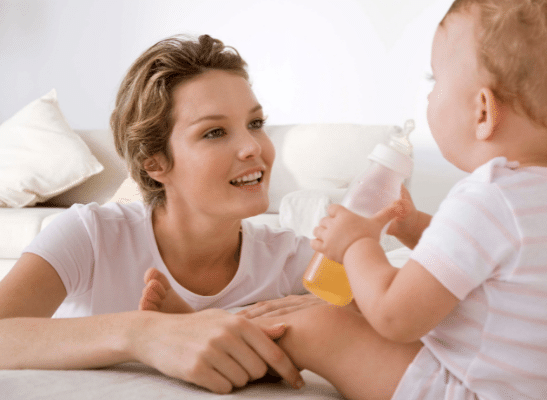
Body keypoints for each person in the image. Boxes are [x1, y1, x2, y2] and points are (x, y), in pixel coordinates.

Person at [144, 1, 547, 399]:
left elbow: (396, 318)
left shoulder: (489, 194)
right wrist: (415, 225)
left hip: (462, 389)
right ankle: (219, 329)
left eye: (435, 79)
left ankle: (214, 346)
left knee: (322, 324)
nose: (430, 94)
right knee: (340, 306)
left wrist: (358, 244)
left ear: (483, 111)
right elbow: (492, 257)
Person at [0, 34, 323, 394]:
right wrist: (141, 333)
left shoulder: (290, 258)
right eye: (214, 132)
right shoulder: (90, 235)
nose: (252, 147)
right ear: (154, 162)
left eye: (255, 123)